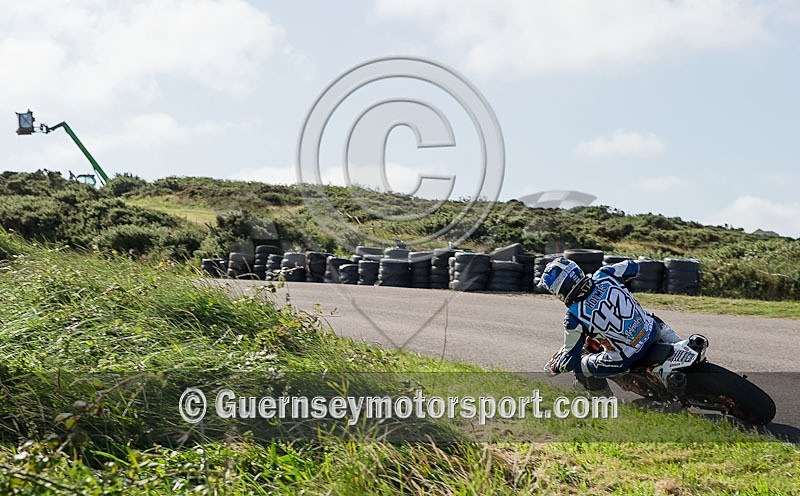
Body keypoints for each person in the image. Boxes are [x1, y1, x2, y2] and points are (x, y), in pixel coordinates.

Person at [538, 257, 681, 396]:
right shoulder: (605, 273)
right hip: (651, 331)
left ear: (560, 290)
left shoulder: (573, 317)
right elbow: (633, 266)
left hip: (627, 356)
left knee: (581, 366)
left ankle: (603, 400)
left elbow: (571, 359)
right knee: (648, 315)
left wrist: (555, 367)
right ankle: (680, 346)